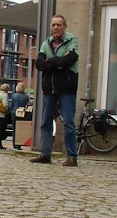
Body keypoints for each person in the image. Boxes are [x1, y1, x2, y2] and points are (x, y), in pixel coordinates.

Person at [30, 14, 80, 166]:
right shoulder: (46, 43)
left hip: (66, 89)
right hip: (49, 89)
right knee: (46, 122)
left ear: (64, 26)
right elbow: (39, 64)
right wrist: (56, 63)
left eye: (59, 25)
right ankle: (45, 154)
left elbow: (69, 60)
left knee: (69, 123)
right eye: (53, 25)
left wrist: (50, 62)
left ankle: (72, 156)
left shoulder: (73, 41)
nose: (56, 27)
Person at [10, 82, 30, 150]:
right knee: (20, 129)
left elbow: (11, 106)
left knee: (14, 129)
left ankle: (14, 144)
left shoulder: (14, 96)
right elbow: (27, 106)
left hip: (14, 113)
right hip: (22, 114)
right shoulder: (26, 97)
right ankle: (19, 144)